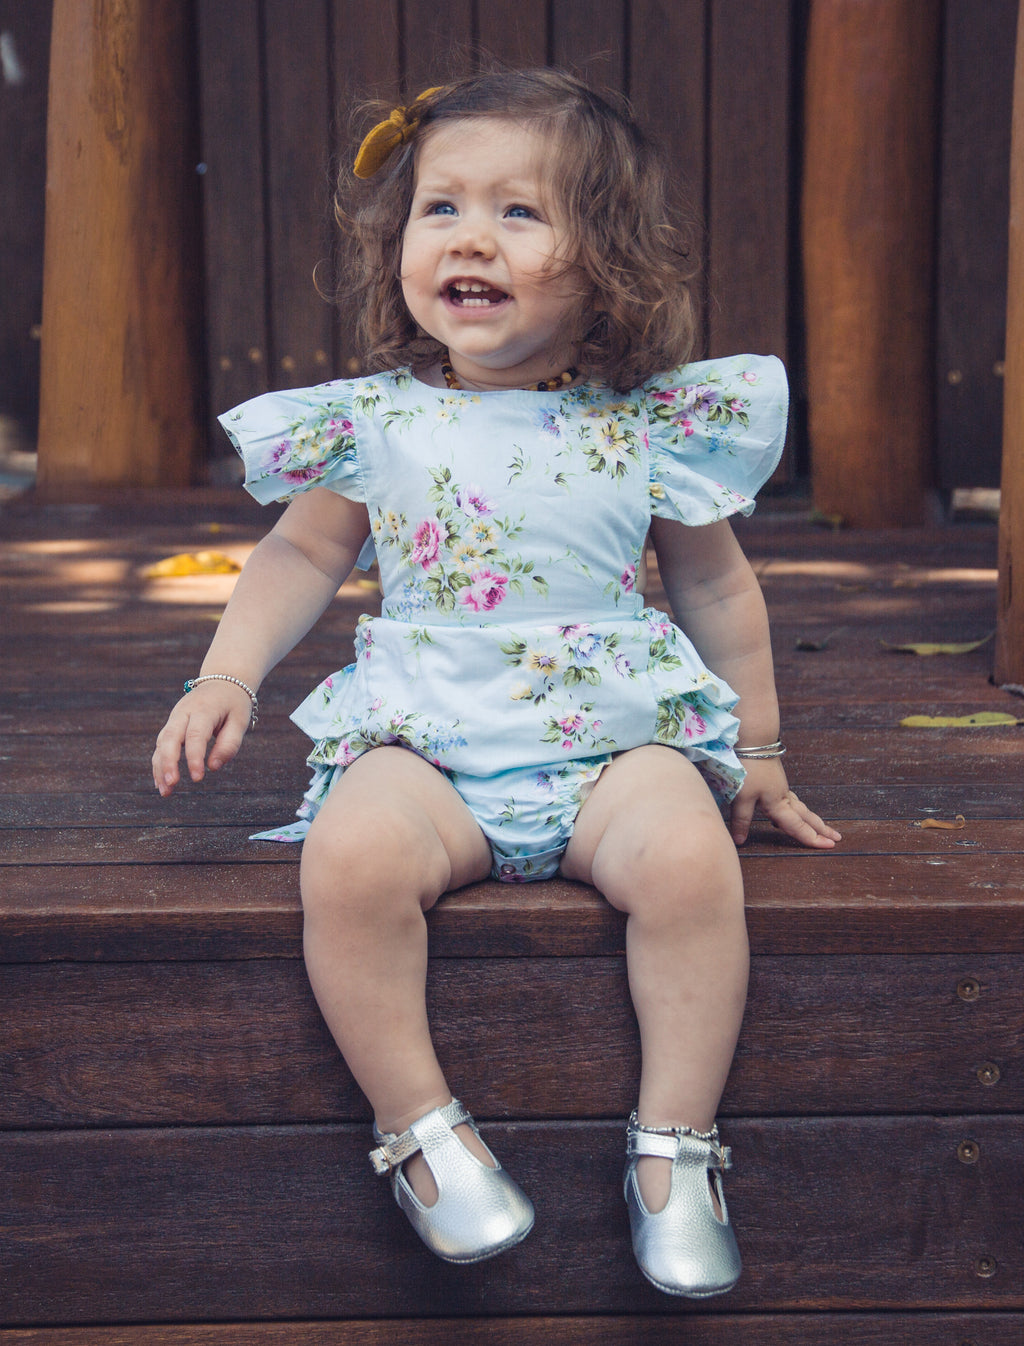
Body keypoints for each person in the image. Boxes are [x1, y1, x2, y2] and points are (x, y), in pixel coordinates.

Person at [152, 68, 841, 1297]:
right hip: (430, 750)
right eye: (441, 208)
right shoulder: (377, 420)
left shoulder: (644, 425)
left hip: (608, 751)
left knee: (691, 862)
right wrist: (229, 674)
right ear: (403, 244)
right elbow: (303, 551)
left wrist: (764, 748)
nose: (470, 235)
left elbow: (720, 592)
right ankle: (424, 1133)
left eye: (520, 213)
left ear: (607, 261)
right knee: (349, 862)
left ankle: (673, 1144)